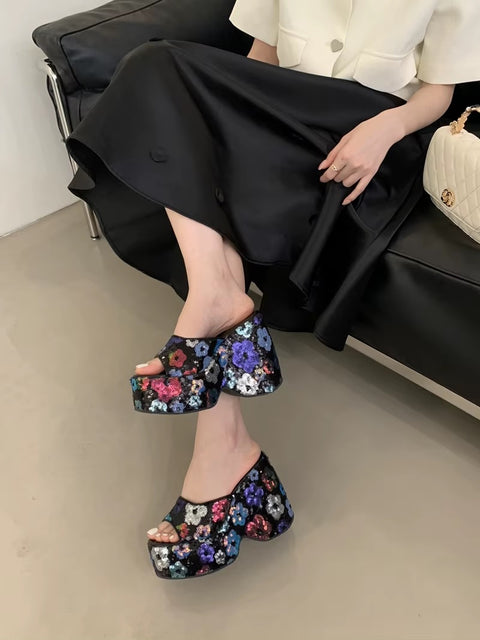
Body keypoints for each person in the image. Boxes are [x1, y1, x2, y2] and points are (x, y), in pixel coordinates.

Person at [66, 0, 480, 580]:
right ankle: (224, 414)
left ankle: (227, 437)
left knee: (205, 187)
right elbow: (262, 56)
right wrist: (226, 125)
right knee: (154, 69)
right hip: (283, 111)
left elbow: (438, 94)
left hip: (370, 132)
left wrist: (382, 131)